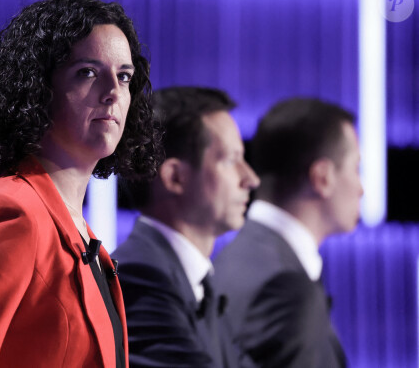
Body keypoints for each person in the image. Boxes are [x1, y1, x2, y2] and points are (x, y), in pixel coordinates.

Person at [0, 0, 162, 368]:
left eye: (124, 76)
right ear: (37, 88)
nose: (114, 92)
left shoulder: (77, 232)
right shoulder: (14, 214)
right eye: (88, 72)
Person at [112, 86, 260, 368]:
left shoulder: (195, 279)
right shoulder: (141, 276)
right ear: (175, 177)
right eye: (231, 160)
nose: (250, 178)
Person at [214, 98, 363, 368]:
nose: (361, 188)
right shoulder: (285, 287)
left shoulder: (236, 258)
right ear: (323, 177)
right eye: (355, 168)